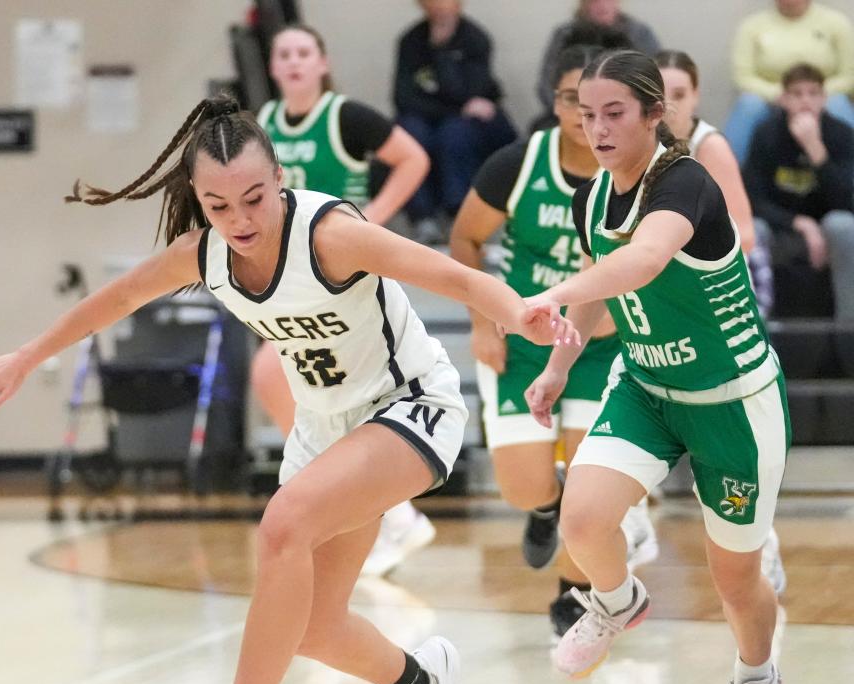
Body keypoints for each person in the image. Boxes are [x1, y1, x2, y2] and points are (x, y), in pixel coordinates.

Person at [0, 96, 578, 684]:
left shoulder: (331, 233)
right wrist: (26, 357)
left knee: (282, 525)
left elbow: (450, 275)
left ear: (279, 175)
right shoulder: (204, 255)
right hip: (325, 425)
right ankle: (421, 683)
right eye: (218, 206)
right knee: (310, 628)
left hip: (410, 406)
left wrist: (517, 311)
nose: (240, 220)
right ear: (198, 201)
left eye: (253, 197)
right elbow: (115, 300)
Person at [524, 50, 791, 684]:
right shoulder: (591, 199)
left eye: (615, 113)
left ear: (653, 113)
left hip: (730, 399)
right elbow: (601, 288)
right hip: (646, 385)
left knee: (735, 576)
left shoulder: (686, 183)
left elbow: (641, 261)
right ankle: (616, 600)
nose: (599, 128)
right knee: (580, 520)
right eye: (587, 115)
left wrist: (548, 295)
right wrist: (557, 366)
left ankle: (757, 675)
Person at [450, 43, 658, 641]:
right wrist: (480, 320)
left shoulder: (642, 174)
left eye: (599, 104)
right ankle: (544, 508)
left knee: (590, 488)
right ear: (557, 102)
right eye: (572, 99)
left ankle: (575, 591)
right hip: (525, 337)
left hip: (603, 345)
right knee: (522, 486)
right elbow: (465, 243)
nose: (585, 115)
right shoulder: (517, 163)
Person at [255, 24, 437, 576]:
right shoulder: (259, 126)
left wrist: (372, 220)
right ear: (273, 67)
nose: (293, 62)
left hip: (342, 272)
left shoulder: (346, 117)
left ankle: (386, 512)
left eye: (303, 52)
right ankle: (385, 513)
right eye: (283, 54)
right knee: (314, 395)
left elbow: (413, 159)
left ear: (322, 62)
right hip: (290, 281)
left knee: (275, 373)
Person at [656, 48, 787, 594]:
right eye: (659, 97)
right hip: (666, 302)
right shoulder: (635, 150)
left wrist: (672, 249)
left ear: (696, 97)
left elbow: (747, 234)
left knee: (735, 443)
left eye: (679, 96)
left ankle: (765, 542)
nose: (669, 107)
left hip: (726, 298)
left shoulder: (709, 146)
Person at [393, 0, 517, 243]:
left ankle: (458, 215)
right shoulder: (411, 40)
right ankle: (422, 218)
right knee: (409, 132)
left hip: (459, 122)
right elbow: (403, 97)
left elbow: (471, 91)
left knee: (454, 134)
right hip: (432, 117)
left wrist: (442, 52)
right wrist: (451, 108)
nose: (438, 5)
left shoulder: (475, 38)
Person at [743, 63, 854, 323]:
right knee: (752, 229)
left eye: (813, 93)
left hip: (829, 227)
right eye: (797, 94)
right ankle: (756, 327)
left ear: (824, 99)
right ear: (783, 99)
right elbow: (752, 200)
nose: (805, 102)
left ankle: (849, 335)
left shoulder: (840, 134)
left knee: (844, 226)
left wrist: (818, 153)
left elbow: (849, 201)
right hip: (781, 225)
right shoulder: (767, 134)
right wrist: (799, 223)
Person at [725, 0, 854, 163]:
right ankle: (725, 175)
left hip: (824, 97)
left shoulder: (837, 23)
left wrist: (811, 95)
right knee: (749, 104)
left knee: (838, 104)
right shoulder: (752, 26)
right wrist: (783, 95)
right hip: (771, 99)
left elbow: (849, 76)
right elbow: (742, 76)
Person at [535, 1, 660, 120]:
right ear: (584, 3)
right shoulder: (565, 34)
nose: (602, 5)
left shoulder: (639, 34)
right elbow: (546, 85)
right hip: (571, 114)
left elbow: (654, 82)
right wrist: (570, 112)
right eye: (595, 0)